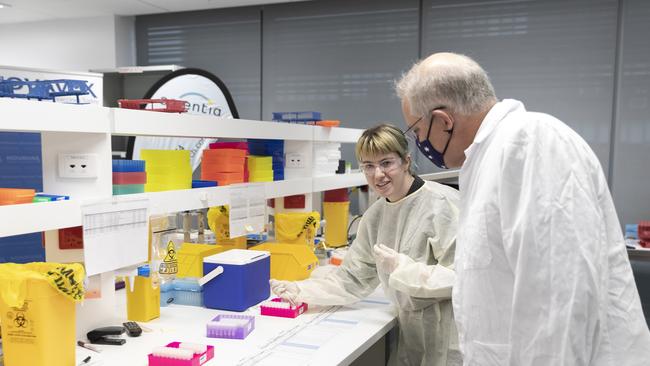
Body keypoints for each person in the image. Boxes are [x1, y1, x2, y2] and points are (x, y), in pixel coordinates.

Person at [395, 52, 650, 365]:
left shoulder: (530, 143)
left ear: (443, 121)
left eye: (417, 132)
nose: (419, 143)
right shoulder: (486, 159)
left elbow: (559, 301)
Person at [271, 124, 462, 366]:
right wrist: (302, 291)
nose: (377, 175)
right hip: (411, 333)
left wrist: (404, 268)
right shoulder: (375, 216)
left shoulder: (443, 205)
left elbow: (465, 278)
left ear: (406, 161)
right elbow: (352, 280)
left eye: (386, 163)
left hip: (450, 333)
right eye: (368, 166)